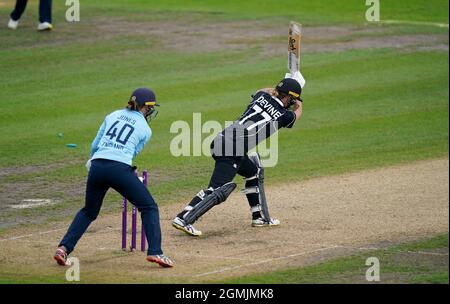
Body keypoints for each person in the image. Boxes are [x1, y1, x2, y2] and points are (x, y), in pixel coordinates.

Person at [54, 88, 175, 268]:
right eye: (150, 108)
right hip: (119, 169)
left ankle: (63, 248)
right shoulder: (145, 129)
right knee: (149, 207)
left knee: (89, 211)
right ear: (146, 107)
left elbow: (96, 144)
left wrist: (93, 162)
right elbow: (132, 153)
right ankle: (155, 252)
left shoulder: (113, 115)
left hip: (97, 166)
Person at [172, 78, 303, 236]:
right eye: (293, 99)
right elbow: (296, 115)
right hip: (232, 149)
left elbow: (264, 90)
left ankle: (258, 217)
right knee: (216, 189)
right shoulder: (284, 116)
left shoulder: (261, 96)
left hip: (221, 141)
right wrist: (299, 105)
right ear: (290, 98)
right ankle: (183, 218)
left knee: (252, 171)